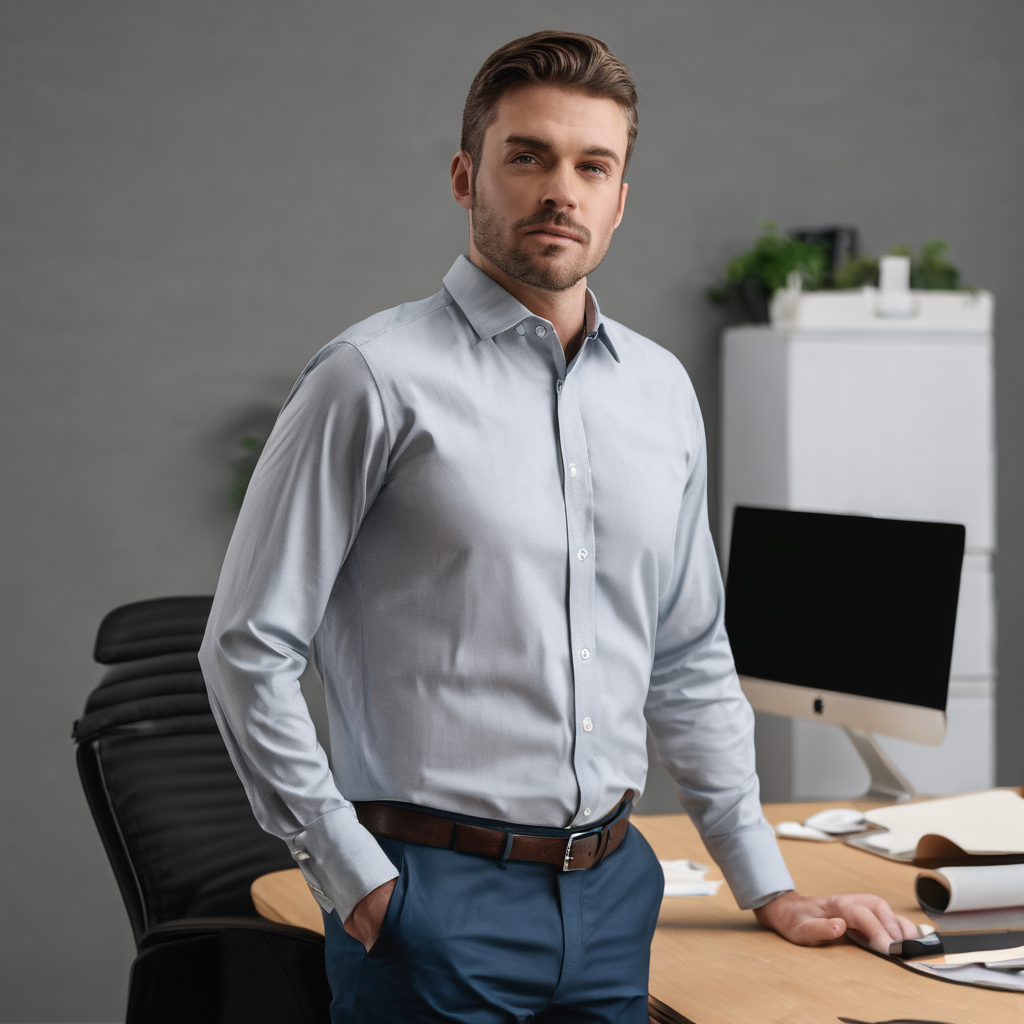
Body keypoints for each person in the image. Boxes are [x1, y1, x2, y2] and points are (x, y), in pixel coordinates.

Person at [200, 30, 916, 1023]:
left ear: (620, 198)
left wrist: (768, 882)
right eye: (526, 155)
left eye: (592, 165)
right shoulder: (369, 380)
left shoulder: (661, 394)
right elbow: (246, 646)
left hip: (614, 889)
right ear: (466, 176)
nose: (559, 190)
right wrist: (350, 871)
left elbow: (688, 656)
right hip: (426, 895)